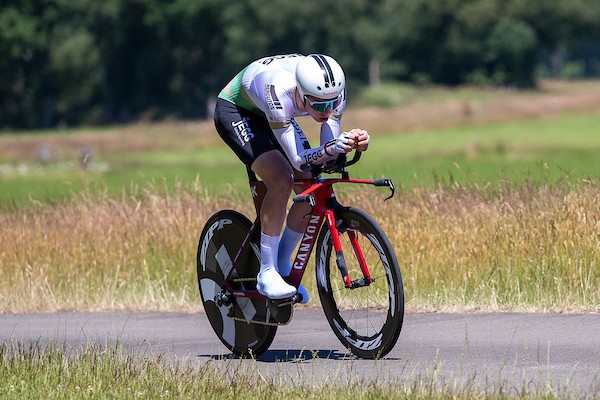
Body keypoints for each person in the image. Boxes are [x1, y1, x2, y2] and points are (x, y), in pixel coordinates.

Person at [213, 53, 370, 303]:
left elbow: (326, 155)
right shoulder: (280, 89)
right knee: (282, 179)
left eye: (332, 103)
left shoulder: (332, 92)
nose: (327, 111)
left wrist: (352, 143)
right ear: (301, 93)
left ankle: (282, 265)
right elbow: (299, 159)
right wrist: (332, 148)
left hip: (275, 113)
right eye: (318, 106)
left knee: (311, 184)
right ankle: (266, 273)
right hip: (239, 111)